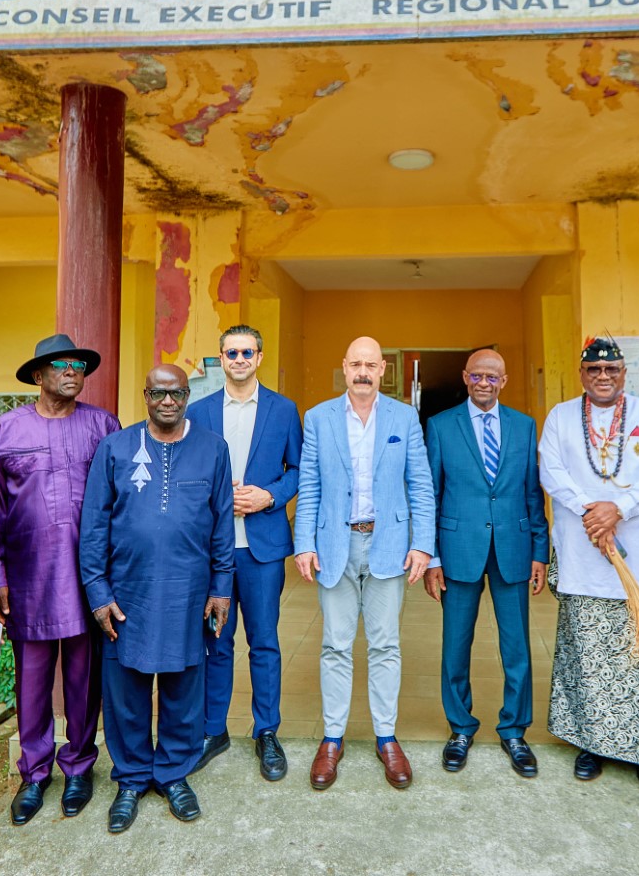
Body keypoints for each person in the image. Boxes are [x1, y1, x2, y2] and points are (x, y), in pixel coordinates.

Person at [80, 364, 234, 834]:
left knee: (184, 688)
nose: (168, 402)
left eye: (177, 393)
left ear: (188, 396)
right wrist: (98, 591)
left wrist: (220, 586)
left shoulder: (213, 449)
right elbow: (93, 526)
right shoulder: (115, 448)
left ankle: (172, 774)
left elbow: (222, 523)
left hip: (188, 592)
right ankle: (130, 779)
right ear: (146, 396)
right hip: (128, 593)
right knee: (125, 690)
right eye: (159, 393)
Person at [538, 337, 639, 789]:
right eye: (594, 370)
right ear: (582, 374)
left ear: (624, 373)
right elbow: (551, 471)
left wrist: (619, 508)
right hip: (584, 554)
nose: (603, 376)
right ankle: (592, 743)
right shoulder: (561, 416)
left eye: (612, 369)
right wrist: (592, 512)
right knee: (590, 656)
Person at [0, 334, 121, 825]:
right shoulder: (5, 430)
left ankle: (80, 767)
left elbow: (119, 505)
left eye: (79, 366)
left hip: (88, 575)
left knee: (85, 679)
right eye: (61, 364)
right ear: (38, 375)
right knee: (32, 679)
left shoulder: (103, 426)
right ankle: (35, 772)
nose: (72, 372)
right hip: (29, 575)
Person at [293, 336, 435, 791]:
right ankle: (332, 738)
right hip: (335, 544)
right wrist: (304, 543)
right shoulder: (318, 418)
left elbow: (421, 485)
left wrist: (423, 545)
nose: (362, 372)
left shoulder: (404, 417)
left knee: (385, 645)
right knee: (335, 645)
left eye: (370, 365)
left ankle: (386, 737)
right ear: (344, 367)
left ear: (382, 371)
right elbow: (310, 485)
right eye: (355, 364)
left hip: (388, 544)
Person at [184, 324, 303, 781]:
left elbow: (298, 470)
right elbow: (188, 473)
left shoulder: (283, 410)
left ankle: (266, 731)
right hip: (212, 549)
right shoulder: (199, 411)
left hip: (262, 548)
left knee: (264, 641)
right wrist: (215, 497)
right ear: (221, 358)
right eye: (231, 353)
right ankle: (213, 730)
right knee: (216, 642)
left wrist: (269, 496)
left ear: (259, 357)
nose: (238, 359)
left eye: (246, 352)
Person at [422, 349, 549, 778]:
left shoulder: (524, 426)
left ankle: (514, 729)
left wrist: (540, 551)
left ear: (503, 381)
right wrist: (432, 556)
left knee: (517, 649)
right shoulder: (441, 426)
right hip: (458, 550)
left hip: (513, 548)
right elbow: (431, 495)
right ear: (465, 377)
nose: (483, 383)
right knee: (456, 646)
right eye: (476, 376)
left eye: (491, 377)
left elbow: (532, 493)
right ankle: (460, 728)